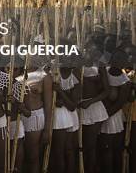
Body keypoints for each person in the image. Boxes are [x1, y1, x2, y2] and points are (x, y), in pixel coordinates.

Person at [15, 55, 52, 173]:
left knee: (33, 156)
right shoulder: (17, 73)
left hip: (35, 119)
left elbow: (48, 105)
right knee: (18, 157)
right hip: (17, 118)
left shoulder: (44, 76)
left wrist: (47, 129)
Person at [79, 43, 109, 173]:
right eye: (88, 50)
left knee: (90, 145)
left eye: (93, 51)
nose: (90, 53)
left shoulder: (99, 67)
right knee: (81, 146)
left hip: (94, 107)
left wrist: (91, 101)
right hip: (78, 106)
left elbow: (106, 91)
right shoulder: (77, 66)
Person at [99, 49, 131, 173]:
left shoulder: (125, 81)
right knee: (101, 149)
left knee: (110, 150)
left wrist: (103, 116)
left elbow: (119, 104)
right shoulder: (103, 72)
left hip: (112, 118)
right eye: (115, 59)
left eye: (120, 60)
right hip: (99, 114)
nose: (117, 62)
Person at [50, 63, 81, 173]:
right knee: (58, 152)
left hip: (69, 116)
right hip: (58, 115)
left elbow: (72, 106)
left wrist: (60, 92)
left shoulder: (75, 78)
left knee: (68, 150)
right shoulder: (53, 74)